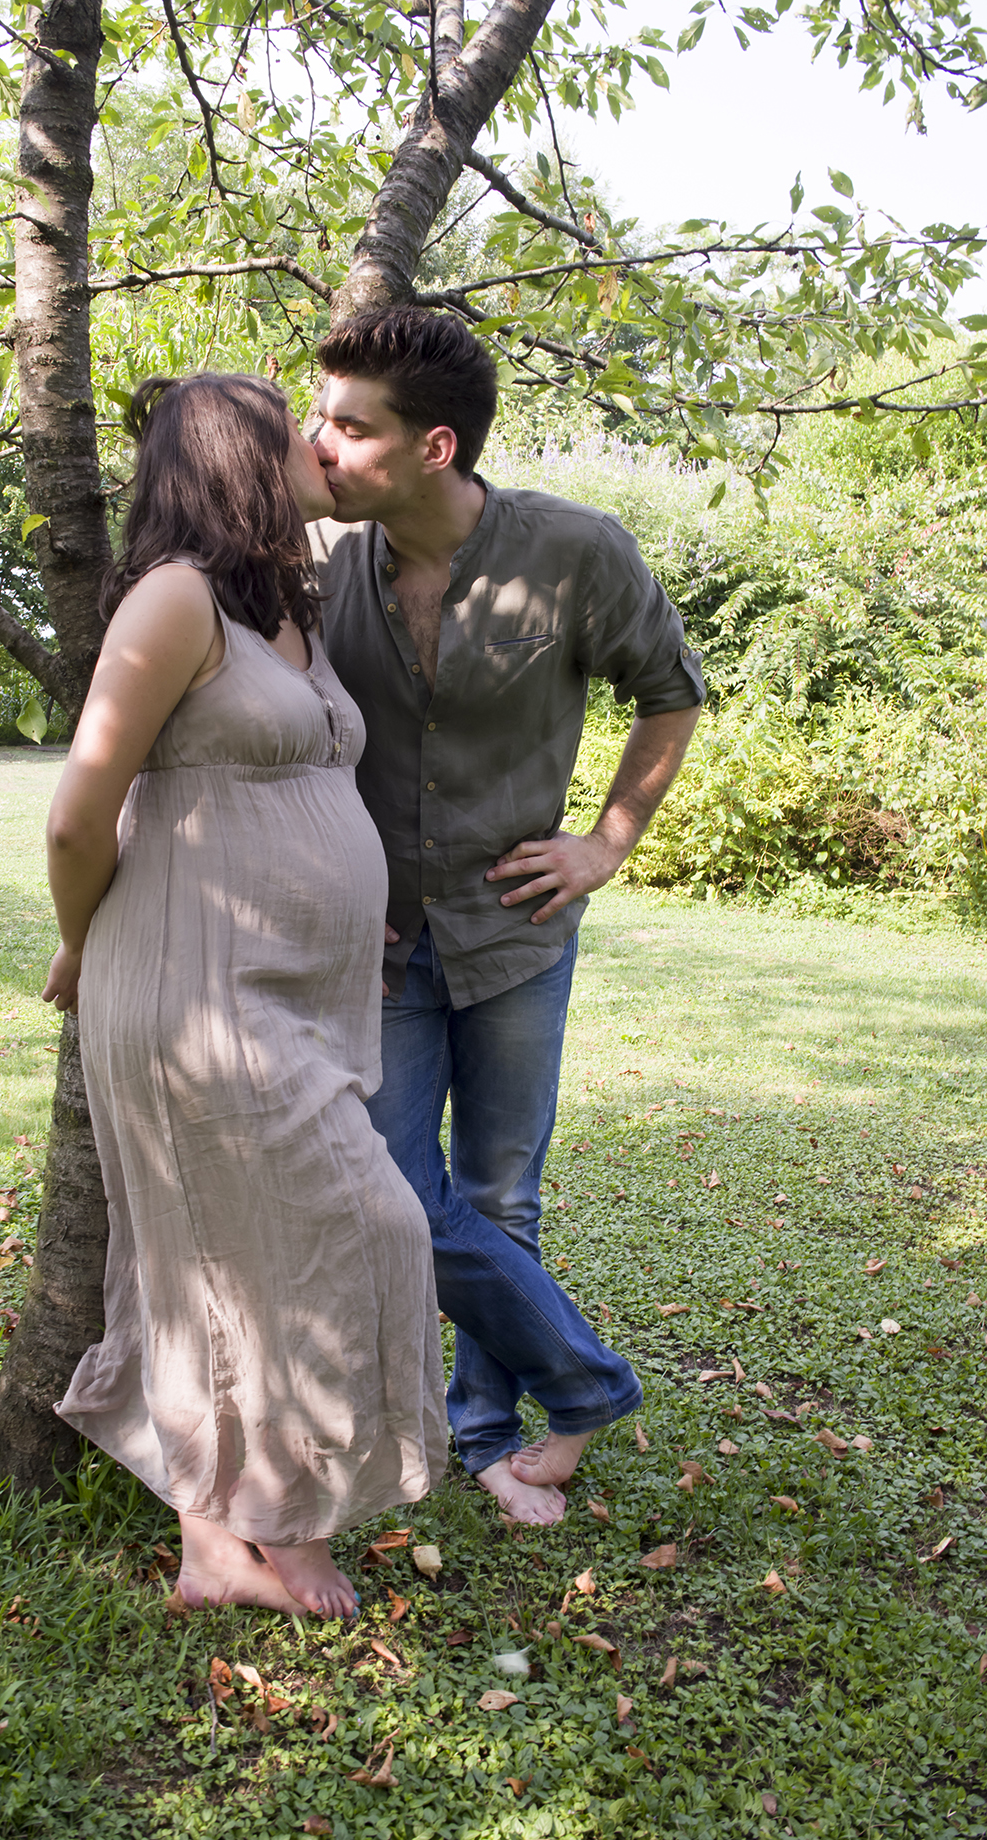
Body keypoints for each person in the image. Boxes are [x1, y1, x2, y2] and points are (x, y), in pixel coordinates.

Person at [42, 372, 447, 1617]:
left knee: (245, 1261)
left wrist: (340, 889)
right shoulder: (170, 601)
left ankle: (232, 1538)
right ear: (237, 457)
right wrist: (73, 944)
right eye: (300, 432)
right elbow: (77, 816)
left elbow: (288, 791)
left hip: (287, 990)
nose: (322, 446)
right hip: (191, 993)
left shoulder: (286, 610)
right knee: (335, 1234)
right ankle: (259, 1529)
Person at [309, 306, 706, 1526]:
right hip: (377, 940)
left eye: (347, 425)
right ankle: (580, 1384)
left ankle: (486, 1430)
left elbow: (670, 695)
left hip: (516, 932)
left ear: (433, 447)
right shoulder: (325, 560)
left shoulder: (576, 551)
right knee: (384, 1187)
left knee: (499, 1192)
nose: (317, 444)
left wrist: (603, 843)